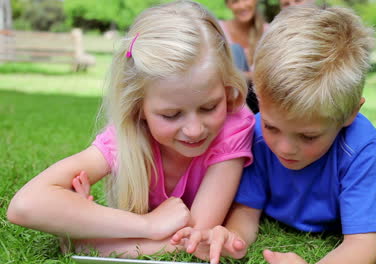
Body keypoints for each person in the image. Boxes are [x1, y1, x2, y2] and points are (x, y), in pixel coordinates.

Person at [7, 0, 255, 258]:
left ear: (226, 93)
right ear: (139, 110)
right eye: (171, 115)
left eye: (209, 107)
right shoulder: (127, 136)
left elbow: (194, 240)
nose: (194, 130)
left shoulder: (233, 125)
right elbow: (25, 205)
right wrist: (149, 225)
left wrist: (87, 237)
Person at [171, 5, 376, 264]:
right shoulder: (254, 133)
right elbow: (246, 210)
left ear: (349, 115)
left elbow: (363, 243)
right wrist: (232, 238)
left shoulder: (361, 148)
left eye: (308, 136)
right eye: (272, 127)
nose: (285, 148)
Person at [220, 0, 268, 113]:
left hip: (260, 101)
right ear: (228, 5)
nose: (242, 6)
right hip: (231, 98)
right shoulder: (219, 29)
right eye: (235, 1)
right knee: (235, 50)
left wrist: (244, 76)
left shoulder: (269, 31)